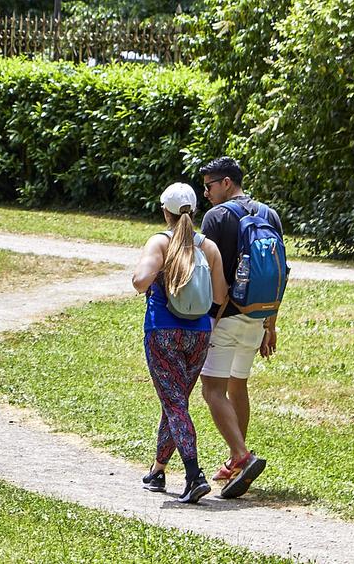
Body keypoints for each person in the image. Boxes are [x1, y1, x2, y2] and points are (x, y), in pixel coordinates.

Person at [132, 181, 227, 505]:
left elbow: (140, 281)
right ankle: (158, 470)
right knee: (176, 404)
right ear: (193, 211)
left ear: (165, 211)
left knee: (175, 405)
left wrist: (152, 274)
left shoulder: (160, 242)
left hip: (163, 332)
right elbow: (219, 296)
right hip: (199, 334)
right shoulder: (208, 247)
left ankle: (193, 476)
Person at [197, 155, 283, 499]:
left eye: (209, 186)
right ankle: (235, 461)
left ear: (227, 183)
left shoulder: (216, 217)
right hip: (258, 314)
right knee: (238, 386)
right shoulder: (269, 214)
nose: (206, 193)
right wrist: (271, 323)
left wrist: (206, 321)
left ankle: (242, 455)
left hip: (227, 317)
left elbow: (208, 273)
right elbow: (279, 270)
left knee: (212, 391)